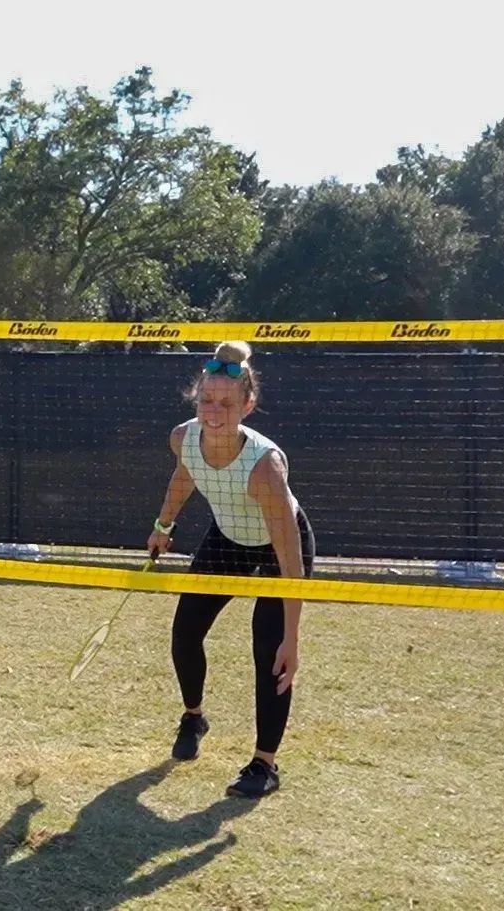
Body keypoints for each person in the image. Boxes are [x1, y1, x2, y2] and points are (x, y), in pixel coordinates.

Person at [145, 341, 314, 798]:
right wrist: (163, 525)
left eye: (226, 403)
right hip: (228, 539)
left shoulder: (265, 468)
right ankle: (194, 717)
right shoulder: (184, 437)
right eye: (206, 401)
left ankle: (264, 765)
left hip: (281, 550)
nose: (214, 412)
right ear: (195, 398)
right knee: (185, 632)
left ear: (248, 405)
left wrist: (292, 640)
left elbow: (291, 559)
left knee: (271, 654)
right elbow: (185, 475)